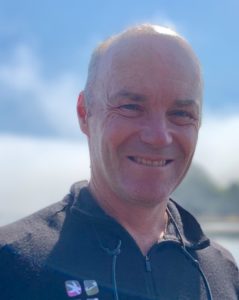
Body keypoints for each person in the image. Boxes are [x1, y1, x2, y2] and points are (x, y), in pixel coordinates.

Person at [0, 24, 238, 300]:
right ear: (84, 112)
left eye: (181, 113)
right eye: (131, 107)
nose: (158, 137)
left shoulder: (222, 272)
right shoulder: (12, 263)